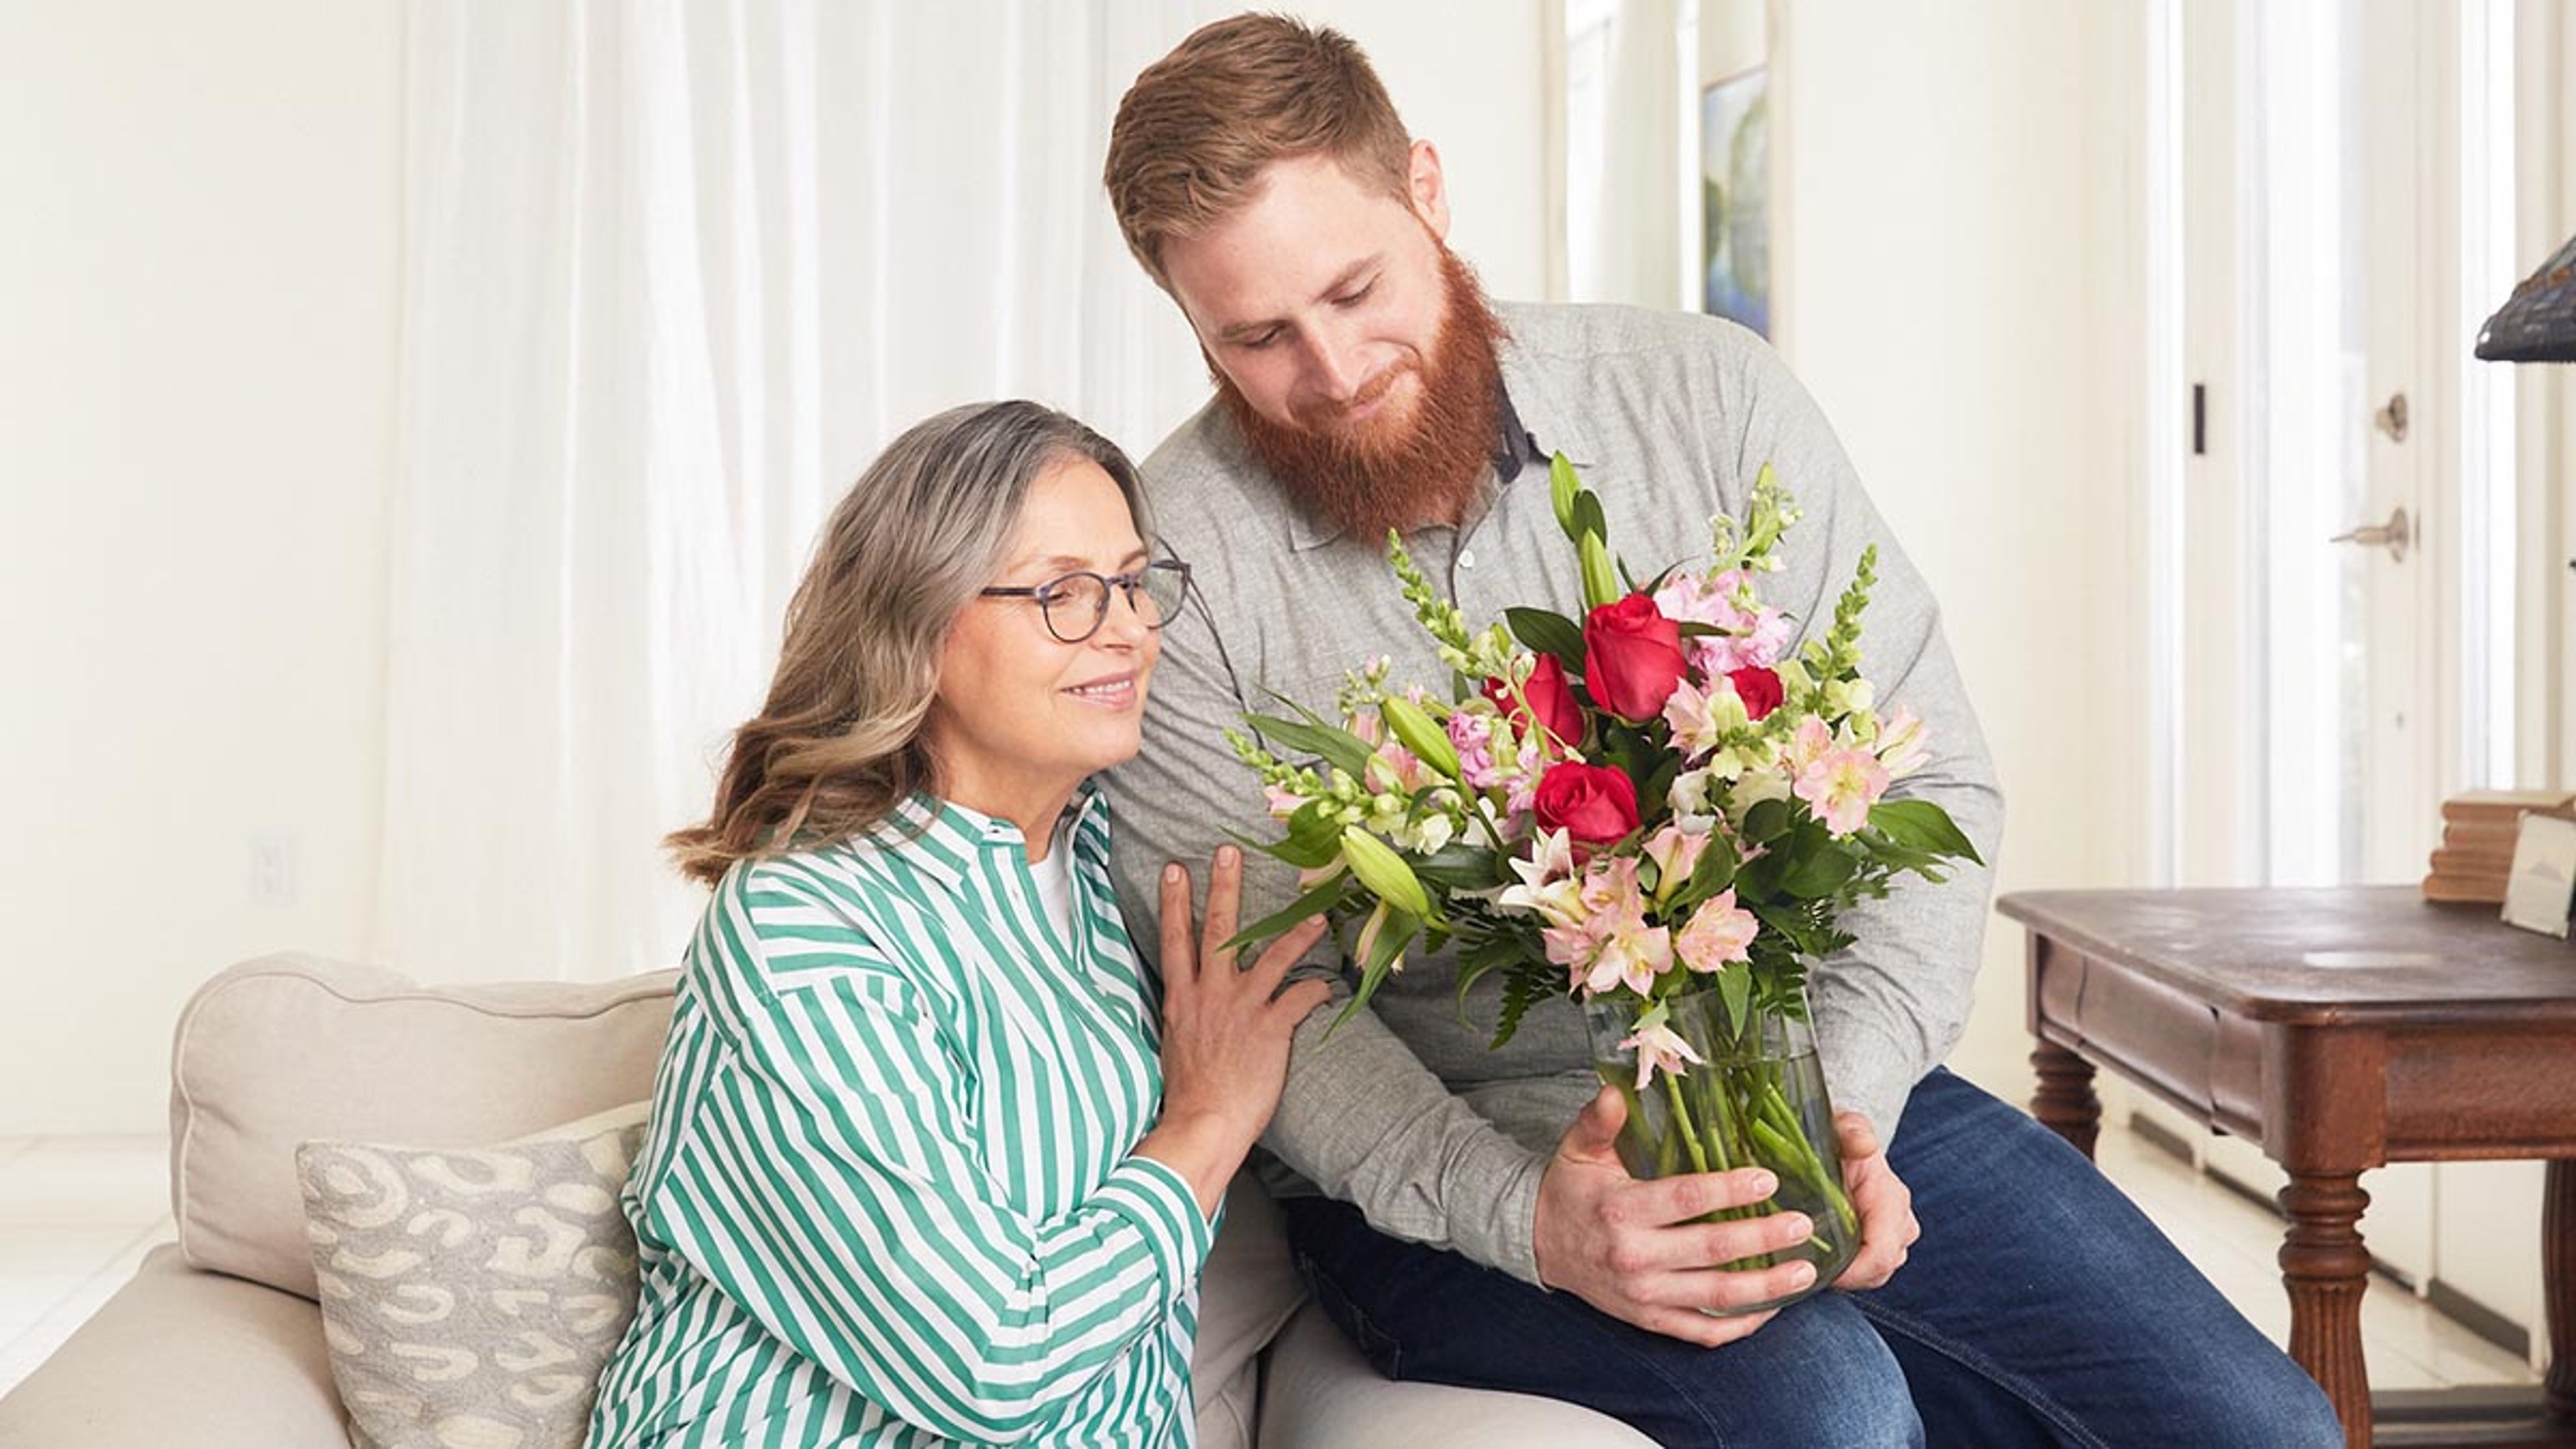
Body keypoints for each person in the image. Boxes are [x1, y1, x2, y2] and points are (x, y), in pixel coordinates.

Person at [1096, 16, 2346, 1447]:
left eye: (1355, 289)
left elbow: (1921, 780)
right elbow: (1270, 1002)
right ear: (1193, 327)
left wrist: (1844, 1112)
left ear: (1427, 193)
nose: (1330, 368)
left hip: (1813, 1076)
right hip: (1472, 1154)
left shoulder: (1709, 399)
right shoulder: (1174, 564)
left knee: (2264, 1428)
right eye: (1255, 338)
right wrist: (1526, 1220)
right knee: (1832, 1415)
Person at [584, 400, 1330, 1447]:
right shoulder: (803, 927)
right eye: (1063, 592)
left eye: (1131, 581)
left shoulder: (1106, 861)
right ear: (918, 626)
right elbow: (993, 1363)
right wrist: (1205, 1126)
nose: (1125, 628)